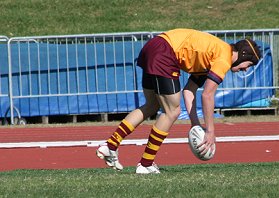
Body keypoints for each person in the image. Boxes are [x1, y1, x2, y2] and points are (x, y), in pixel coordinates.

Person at [96, 28, 261, 174]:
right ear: (243, 55)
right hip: (165, 52)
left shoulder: (214, 53)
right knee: (172, 111)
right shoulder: (223, 59)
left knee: (151, 105)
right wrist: (210, 131)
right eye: (249, 64)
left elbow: (189, 90)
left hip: (153, 45)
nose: (246, 68)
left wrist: (195, 124)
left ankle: (110, 146)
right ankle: (145, 164)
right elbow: (207, 96)